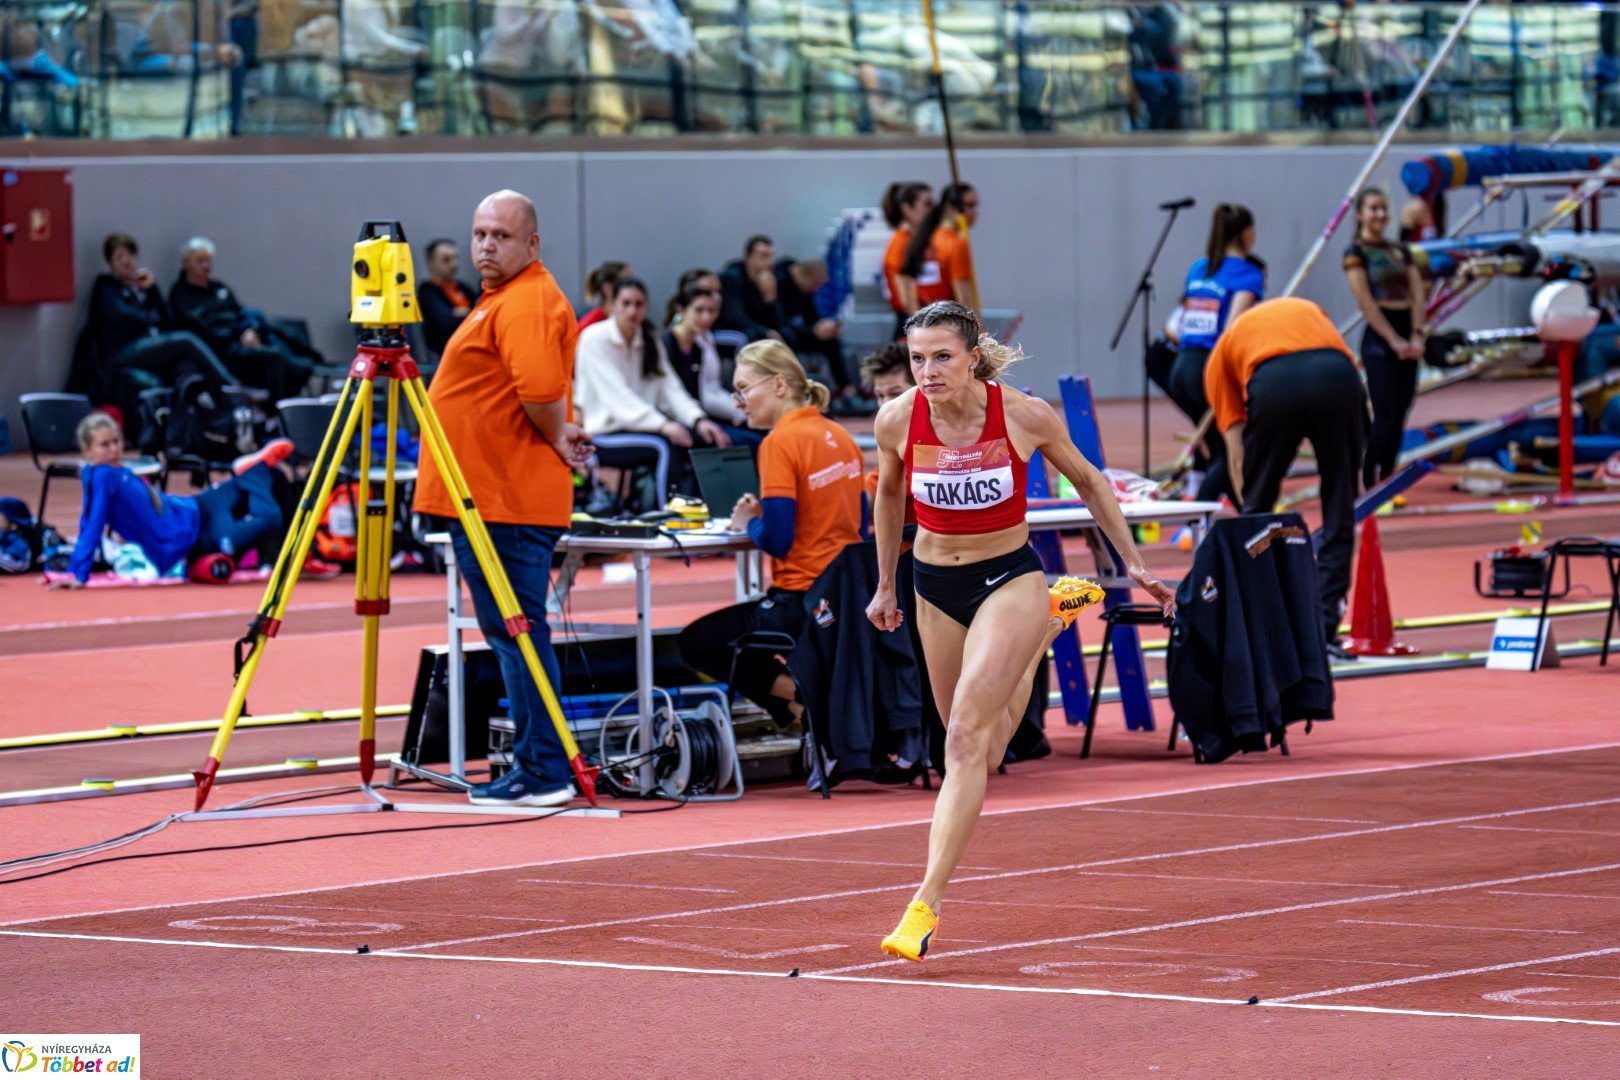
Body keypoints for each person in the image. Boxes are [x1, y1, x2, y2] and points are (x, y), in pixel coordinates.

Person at [866, 301, 1174, 961]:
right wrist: (886, 584)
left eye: (942, 356)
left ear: (974, 356)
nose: (928, 371)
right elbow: (889, 497)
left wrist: (1136, 563)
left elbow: (1090, 482)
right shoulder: (897, 420)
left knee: (963, 739)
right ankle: (1048, 627)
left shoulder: (1024, 415)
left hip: (1007, 578)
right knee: (983, 751)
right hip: (932, 586)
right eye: (918, 358)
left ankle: (926, 904)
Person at [413, 189, 593, 808]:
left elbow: (540, 392)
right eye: (479, 233)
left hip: (505, 500)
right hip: (489, 497)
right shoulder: (499, 300)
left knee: (518, 632)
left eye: (501, 235)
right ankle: (540, 764)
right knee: (512, 631)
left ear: (532, 243)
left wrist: (553, 431)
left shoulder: (526, 301)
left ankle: (543, 770)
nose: (486, 245)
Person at [678, 341, 864, 726]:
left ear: (779, 385)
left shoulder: (779, 442)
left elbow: (778, 540)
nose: (738, 402)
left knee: (697, 643)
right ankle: (796, 708)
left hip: (799, 601)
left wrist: (748, 521)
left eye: (744, 388)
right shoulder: (840, 436)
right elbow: (858, 525)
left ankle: (805, 696)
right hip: (844, 598)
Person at [1203, 297, 1368, 657]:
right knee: (1340, 504)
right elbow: (1359, 385)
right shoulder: (1308, 309)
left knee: (1258, 508)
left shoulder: (1219, 359)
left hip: (1276, 383)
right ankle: (1323, 631)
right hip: (1338, 375)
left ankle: (1256, 626)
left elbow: (1236, 454)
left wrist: (1252, 507)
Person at [51, 413, 300, 589]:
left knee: (273, 482)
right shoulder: (102, 476)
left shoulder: (112, 473)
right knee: (269, 512)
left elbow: (90, 522)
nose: (114, 450)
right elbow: (91, 523)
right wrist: (78, 573)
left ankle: (255, 475)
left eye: (116, 442)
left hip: (197, 508)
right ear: (86, 451)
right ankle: (253, 471)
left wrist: (76, 571)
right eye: (104, 445)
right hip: (199, 534)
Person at [575, 276, 732, 502]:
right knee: (664, 446)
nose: (632, 311)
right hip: (603, 431)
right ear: (613, 305)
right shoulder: (594, 339)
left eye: (638, 304)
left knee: (704, 439)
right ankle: (667, 515)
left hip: (642, 426)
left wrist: (698, 419)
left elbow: (671, 388)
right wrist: (664, 425)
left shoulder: (648, 339)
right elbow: (618, 398)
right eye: (626, 303)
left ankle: (709, 511)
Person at [1166, 203, 1264, 503]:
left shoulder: (1199, 268)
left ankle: (1247, 513)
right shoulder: (1249, 273)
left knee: (1220, 447)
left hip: (1180, 369)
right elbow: (1232, 330)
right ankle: (1200, 521)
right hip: (1209, 370)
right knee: (1231, 448)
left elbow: (1177, 325)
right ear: (1247, 233)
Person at [1343, 187, 1426, 488]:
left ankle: (1388, 478)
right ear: (1360, 214)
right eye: (1373, 208)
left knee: (1403, 409)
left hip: (1407, 329)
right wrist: (1393, 340)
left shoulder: (1400, 251)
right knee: (1385, 411)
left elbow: (1417, 294)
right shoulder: (1356, 253)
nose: (1379, 214)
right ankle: (1368, 478)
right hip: (1380, 336)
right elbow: (1365, 301)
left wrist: (1417, 334)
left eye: (1383, 208)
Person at [85, 233, 237, 394]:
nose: (126, 261)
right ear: (110, 263)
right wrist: (150, 318)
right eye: (119, 257)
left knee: (184, 365)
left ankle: (211, 409)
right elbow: (124, 317)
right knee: (186, 339)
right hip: (123, 350)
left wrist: (153, 289)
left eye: (130, 255)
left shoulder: (142, 287)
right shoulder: (105, 286)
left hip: (148, 344)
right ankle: (231, 385)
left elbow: (169, 320)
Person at [169, 237, 314, 401]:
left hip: (243, 339)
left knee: (279, 342)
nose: (206, 266)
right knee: (275, 358)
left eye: (208, 260)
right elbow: (206, 330)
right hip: (223, 351)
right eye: (200, 261)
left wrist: (249, 329)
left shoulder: (219, 287)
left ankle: (303, 376)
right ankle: (275, 412)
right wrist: (238, 336)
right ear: (186, 263)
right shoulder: (181, 295)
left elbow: (242, 311)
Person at [662, 281, 761, 448]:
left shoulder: (698, 347)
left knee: (759, 433)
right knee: (750, 442)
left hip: (698, 416)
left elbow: (702, 393)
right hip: (678, 421)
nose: (706, 317)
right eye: (699, 310)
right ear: (681, 309)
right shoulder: (665, 344)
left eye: (711, 311)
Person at [773, 255, 853, 397]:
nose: (815, 290)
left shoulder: (806, 289)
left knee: (831, 340)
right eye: (815, 285)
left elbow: (812, 317)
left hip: (799, 332)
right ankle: (796, 391)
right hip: (780, 333)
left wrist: (825, 326)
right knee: (787, 336)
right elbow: (779, 322)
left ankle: (847, 389)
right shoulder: (778, 283)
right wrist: (813, 331)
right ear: (804, 277)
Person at [901, 182, 980, 316]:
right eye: (969, 205)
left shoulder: (924, 239)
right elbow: (965, 301)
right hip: (949, 325)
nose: (975, 212)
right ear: (951, 207)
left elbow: (910, 299)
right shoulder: (955, 244)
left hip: (922, 325)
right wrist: (980, 333)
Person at [859, 342, 916, 522]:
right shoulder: (895, 435)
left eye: (895, 394)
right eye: (880, 395)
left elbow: (862, 501)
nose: (885, 405)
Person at [880, 182, 935, 333]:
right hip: (915, 323)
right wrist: (924, 331)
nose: (934, 210)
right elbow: (906, 299)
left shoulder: (924, 241)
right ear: (907, 208)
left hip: (932, 318)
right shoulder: (900, 243)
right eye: (927, 204)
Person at [717, 235, 788, 343]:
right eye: (764, 256)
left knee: (787, 333)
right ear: (748, 257)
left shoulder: (770, 278)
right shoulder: (731, 277)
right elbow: (735, 317)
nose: (770, 262)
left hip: (754, 327)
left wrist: (770, 298)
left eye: (771, 256)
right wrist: (765, 331)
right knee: (753, 335)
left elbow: (778, 322)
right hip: (729, 329)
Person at [417, 238, 480, 356]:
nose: (454, 264)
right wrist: (472, 314)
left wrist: (460, 313)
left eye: (456, 258)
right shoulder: (427, 290)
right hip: (446, 352)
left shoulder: (462, 287)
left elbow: (483, 310)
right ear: (431, 263)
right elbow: (444, 322)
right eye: (446, 260)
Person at [578, 259, 630, 331]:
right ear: (607, 288)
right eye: (626, 282)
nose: (633, 286)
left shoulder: (632, 322)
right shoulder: (589, 325)